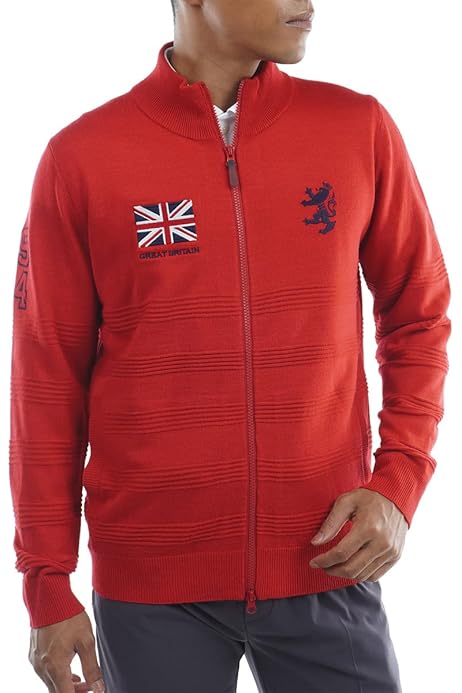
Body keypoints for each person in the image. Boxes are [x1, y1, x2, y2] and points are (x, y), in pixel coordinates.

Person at [9, 1, 451, 691]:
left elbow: (419, 314)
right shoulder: (83, 157)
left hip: (328, 561)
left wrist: (398, 484)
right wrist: (47, 581)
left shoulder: (356, 128)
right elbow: (46, 381)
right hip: (152, 592)